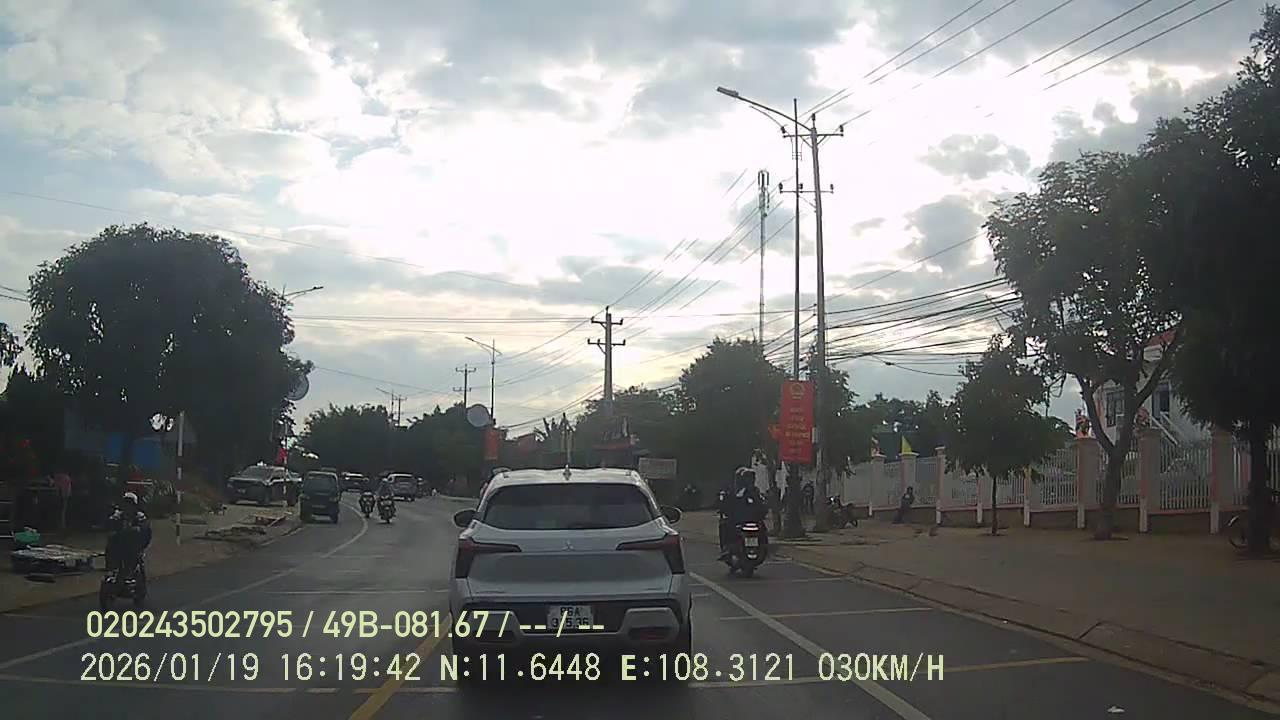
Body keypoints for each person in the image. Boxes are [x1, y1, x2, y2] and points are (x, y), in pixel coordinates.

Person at [718, 467, 767, 560]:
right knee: (724, 525)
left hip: (749, 521)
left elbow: (762, 505)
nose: (749, 480)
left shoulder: (755, 491)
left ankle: (763, 547)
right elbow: (725, 504)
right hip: (738, 521)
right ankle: (726, 548)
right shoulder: (733, 491)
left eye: (750, 478)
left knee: (762, 529)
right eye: (747, 478)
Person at [105, 492, 151, 578]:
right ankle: (111, 569)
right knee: (111, 542)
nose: (128, 506)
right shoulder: (119, 515)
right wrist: (112, 526)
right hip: (120, 543)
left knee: (133, 553)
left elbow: (145, 529)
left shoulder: (139, 516)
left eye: (130, 504)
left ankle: (132, 571)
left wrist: (137, 529)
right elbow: (110, 523)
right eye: (126, 503)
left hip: (135, 544)